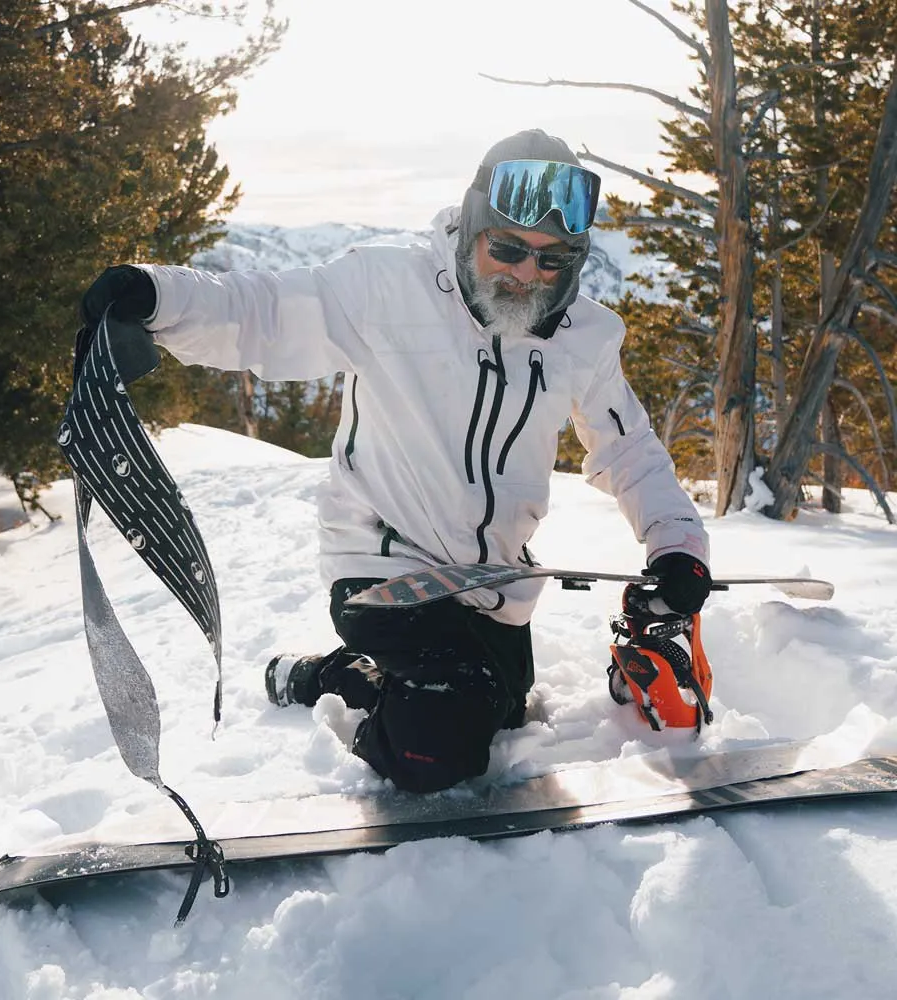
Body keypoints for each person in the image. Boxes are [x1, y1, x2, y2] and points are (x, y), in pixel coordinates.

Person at [80, 128, 712, 793]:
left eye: (550, 260)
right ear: (473, 230)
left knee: (498, 709)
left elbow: (629, 448)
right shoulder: (386, 288)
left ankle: (341, 674)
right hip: (382, 568)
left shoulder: (586, 336)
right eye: (506, 249)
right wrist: (155, 296)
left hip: (491, 584)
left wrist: (677, 545)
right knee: (441, 743)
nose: (526, 274)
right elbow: (260, 312)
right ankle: (343, 690)